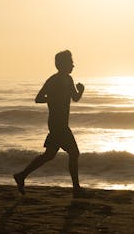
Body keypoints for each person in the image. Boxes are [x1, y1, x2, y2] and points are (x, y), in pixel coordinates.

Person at [13, 50, 85, 196]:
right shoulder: (53, 80)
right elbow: (38, 98)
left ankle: (21, 176)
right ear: (62, 64)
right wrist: (53, 99)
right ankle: (76, 189)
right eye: (70, 62)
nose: (73, 65)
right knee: (74, 153)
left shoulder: (69, 79)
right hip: (56, 124)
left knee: (49, 155)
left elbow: (75, 98)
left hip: (62, 124)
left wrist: (81, 91)